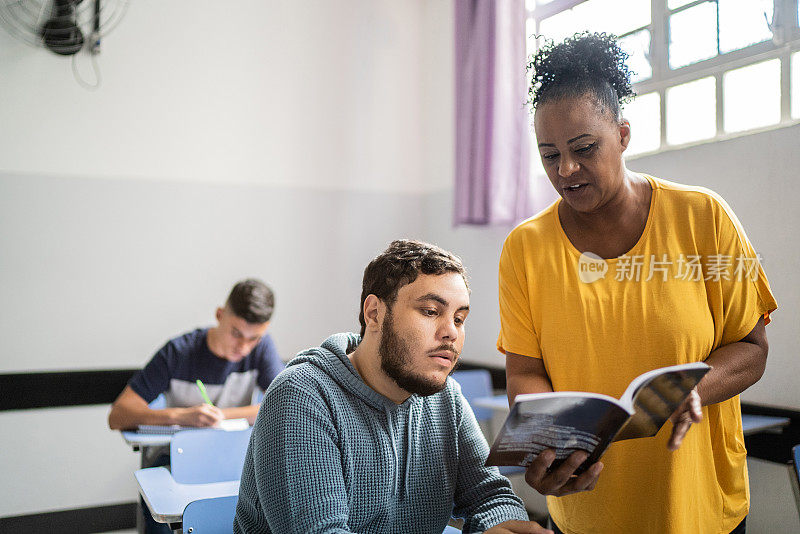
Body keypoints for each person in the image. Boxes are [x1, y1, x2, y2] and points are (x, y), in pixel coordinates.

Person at [498, 33, 778, 534]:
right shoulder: (526, 248)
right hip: (588, 512)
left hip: (699, 509)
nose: (566, 170)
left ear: (623, 135)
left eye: (584, 149)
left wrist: (696, 390)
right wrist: (548, 449)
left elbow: (753, 349)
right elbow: (525, 370)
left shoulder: (703, 218)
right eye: (549, 155)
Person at [235, 240, 551, 534]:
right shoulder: (302, 396)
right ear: (374, 313)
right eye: (431, 311)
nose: (450, 333)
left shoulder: (447, 398)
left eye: (459, 318)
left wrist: (503, 525)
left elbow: (489, 493)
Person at [108, 278, 284, 430]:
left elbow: (283, 405)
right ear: (219, 315)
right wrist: (180, 417)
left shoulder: (263, 348)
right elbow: (118, 415)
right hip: (177, 456)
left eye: (254, 338)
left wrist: (220, 416)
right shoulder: (178, 352)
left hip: (232, 456)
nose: (244, 347)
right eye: (236, 334)